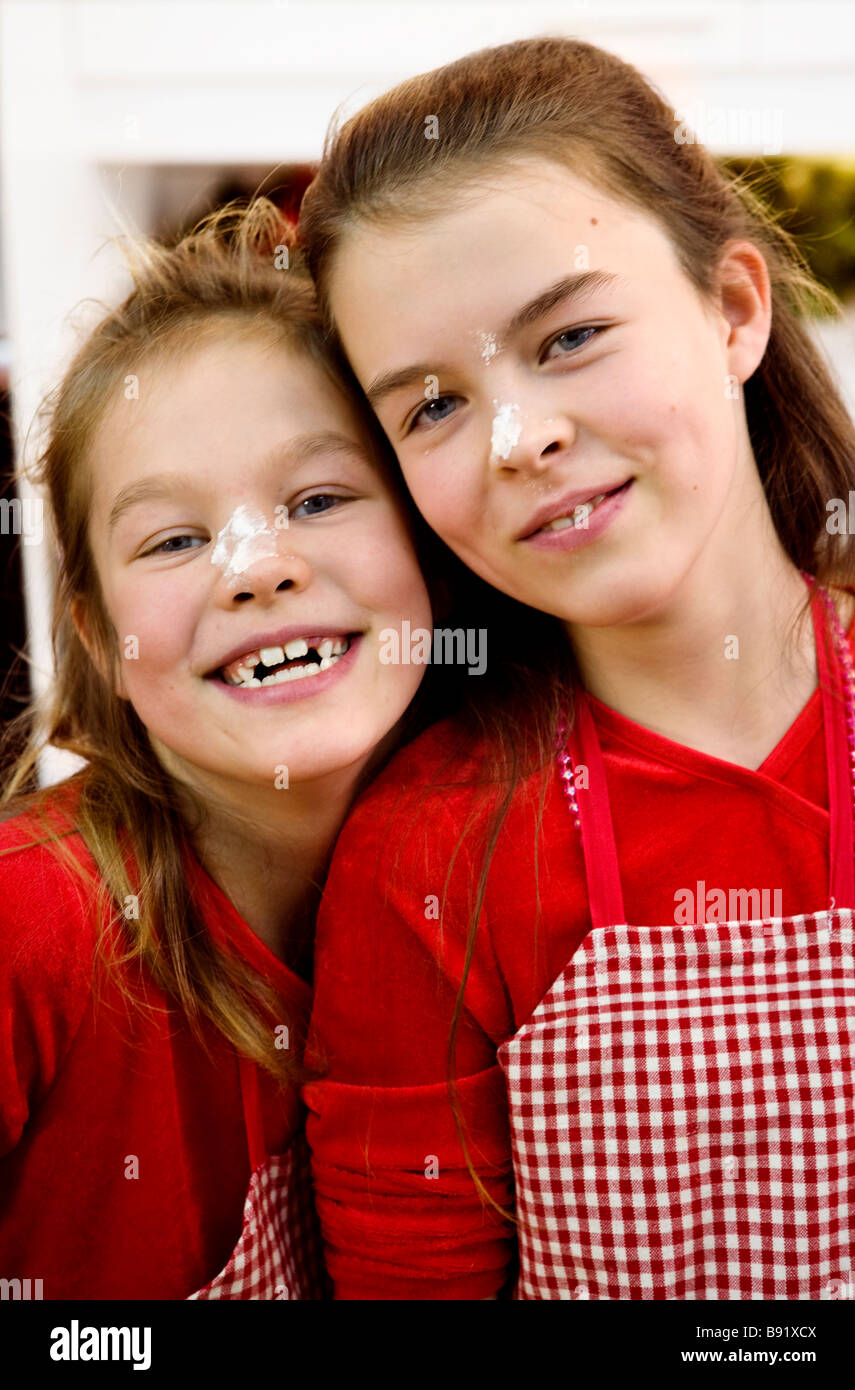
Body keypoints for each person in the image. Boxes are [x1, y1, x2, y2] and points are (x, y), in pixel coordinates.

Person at [296, 38, 855, 1299]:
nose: (519, 438)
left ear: (733, 310)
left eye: (568, 337)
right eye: (432, 405)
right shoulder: (423, 855)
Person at [0, 198, 439, 1299]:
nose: (255, 568)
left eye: (319, 498)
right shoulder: (30, 922)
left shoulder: (491, 882)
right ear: (96, 638)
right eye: (175, 539)